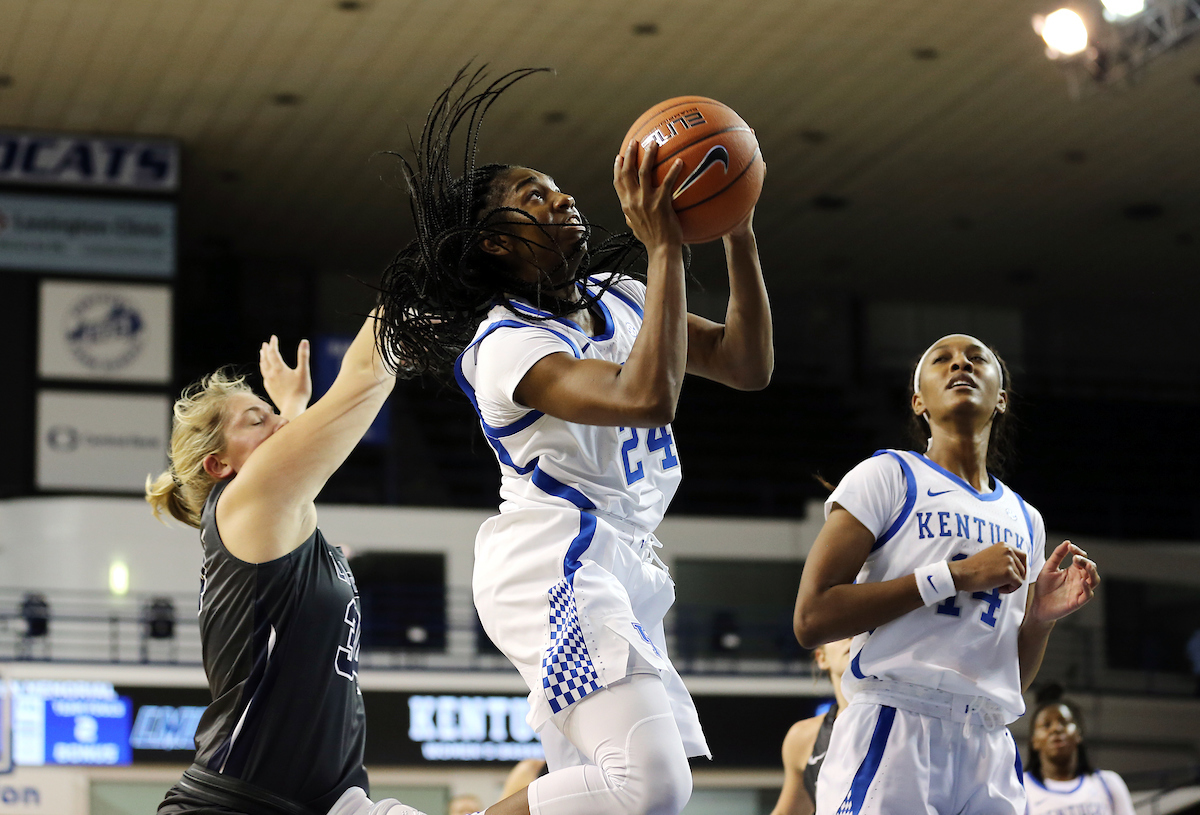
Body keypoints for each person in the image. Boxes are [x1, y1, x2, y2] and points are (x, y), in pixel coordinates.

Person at [375, 66, 773, 815]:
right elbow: (645, 398)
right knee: (652, 782)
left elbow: (747, 365)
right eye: (534, 195)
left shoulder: (620, 301)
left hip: (628, 564)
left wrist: (736, 228)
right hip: (553, 561)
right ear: (495, 242)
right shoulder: (503, 343)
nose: (563, 198)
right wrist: (663, 252)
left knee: (608, 800)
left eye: (559, 187)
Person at [792, 334, 1101, 815]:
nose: (961, 363)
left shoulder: (1026, 519)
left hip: (988, 740)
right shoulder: (888, 476)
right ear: (919, 401)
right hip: (895, 723)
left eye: (977, 358)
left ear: (1001, 397)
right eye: (942, 359)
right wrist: (953, 576)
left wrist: (1040, 619)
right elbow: (811, 618)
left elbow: (1011, 681)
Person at [146, 316, 423, 815]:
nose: (283, 425)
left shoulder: (277, 522)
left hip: (325, 802)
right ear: (219, 466)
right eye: (257, 420)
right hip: (235, 803)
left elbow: (286, 456)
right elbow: (363, 381)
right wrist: (409, 296)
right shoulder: (243, 500)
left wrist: (288, 407)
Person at [769, 638, 852, 815]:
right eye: (841, 632)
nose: (852, 637)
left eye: (861, 632)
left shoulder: (911, 724)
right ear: (821, 658)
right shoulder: (804, 737)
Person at [1024, 691, 1135, 815]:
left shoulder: (1108, 783)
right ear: (1034, 741)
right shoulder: (1022, 789)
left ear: (1078, 734)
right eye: (1046, 725)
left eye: (1064, 722)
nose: (1056, 729)